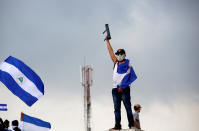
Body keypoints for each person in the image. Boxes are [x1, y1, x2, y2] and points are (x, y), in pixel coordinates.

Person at [105, 37, 137, 130]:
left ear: (124, 55)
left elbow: (130, 77)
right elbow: (110, 52)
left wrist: (122, 87)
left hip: (124, 89)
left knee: (128, 107)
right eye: (118, 54)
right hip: (115, 89)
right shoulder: (115, 63)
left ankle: (131, 125)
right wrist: (107, 41)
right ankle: (117, 125)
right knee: (116, 109)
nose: (119, 55)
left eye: (121, 54)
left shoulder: (128, 64)